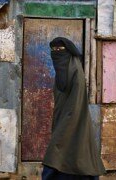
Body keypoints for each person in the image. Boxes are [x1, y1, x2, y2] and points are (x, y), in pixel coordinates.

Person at [42, 37, 106, 180]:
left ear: (68, 51)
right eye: (53, 50)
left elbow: (75, 103)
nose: (56, 53)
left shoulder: (76, 71)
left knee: (59, 151)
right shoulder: (62, 72)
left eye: (60, 49)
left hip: (74, 119)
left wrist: (66, 123)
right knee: (70, 153)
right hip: (62, 117)